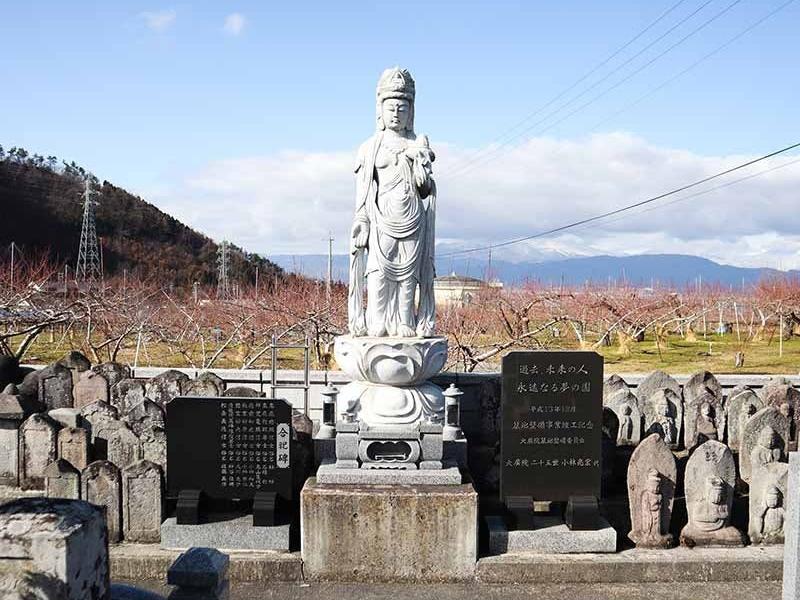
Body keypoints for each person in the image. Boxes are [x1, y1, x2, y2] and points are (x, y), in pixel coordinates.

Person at [348, 67, 437, 338]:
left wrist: (420, 166)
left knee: (408, 273)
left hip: (412, 216)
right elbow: (362, 190)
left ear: (411, 111)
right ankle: (378, 321)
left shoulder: (417, 143)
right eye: (391, 108)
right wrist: (361, 219)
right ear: (380, 110)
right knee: (378, 271)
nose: (396, 113)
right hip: (381, 216)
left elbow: (424, 189)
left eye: (402, 108)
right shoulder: (370, 147)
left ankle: (405, 322)